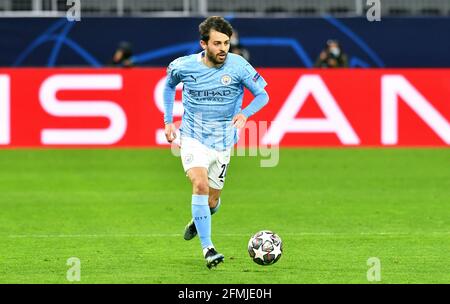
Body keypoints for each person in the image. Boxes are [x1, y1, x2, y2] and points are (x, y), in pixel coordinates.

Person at [163, 16, 269, 268]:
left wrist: (245, 114)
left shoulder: (239, 66)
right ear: (203, 44)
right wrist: (168, 121)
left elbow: (263, 95)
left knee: (211, 202)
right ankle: (208, 249)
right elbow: (169, 86)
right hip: (192, 138)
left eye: (226, 43)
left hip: (223, 142)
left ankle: (198, 219)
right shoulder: (183, 66)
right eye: (217, 43)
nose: (223, 48)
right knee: (199, 185)